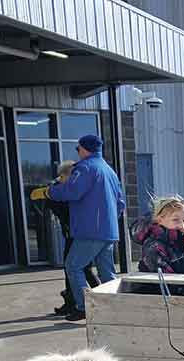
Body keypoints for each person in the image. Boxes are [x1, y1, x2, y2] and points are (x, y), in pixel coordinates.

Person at [46, 134, 125, 321]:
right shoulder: (109, 170)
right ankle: (117, 308)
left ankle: (84, 307)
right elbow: (120, 203)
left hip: (90, 230)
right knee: (107, 272)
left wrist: (50, 191)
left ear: (83, 149)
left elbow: (72, 191)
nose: (78, 152)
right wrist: (109, 221)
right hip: (108, 231)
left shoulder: (85, 168)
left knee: (73, 266)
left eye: (78, 149)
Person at [31, 160, 100, 317]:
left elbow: (64, 208)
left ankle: (93, 301)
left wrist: (51, 194)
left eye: (63, 176)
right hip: (73, 235)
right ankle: (72, 302)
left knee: (79, 269)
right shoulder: (64, 190)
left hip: (80, 236)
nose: (60, 179)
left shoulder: (74, 191)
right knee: (75, 269)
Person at [129, 196, 184, 295]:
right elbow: (169, 282)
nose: (182, 225)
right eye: (175, 220)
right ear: (159, 220)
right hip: (161, 302)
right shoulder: (154, 246)